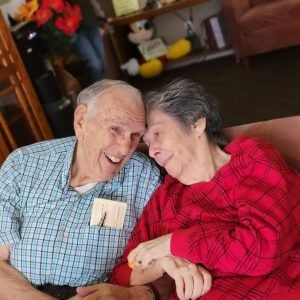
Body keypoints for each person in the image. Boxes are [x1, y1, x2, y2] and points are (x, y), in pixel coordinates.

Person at [0, 79, 211, 300]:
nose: (124, 148)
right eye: (115, 129)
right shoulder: (24, 164)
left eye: (135, 135)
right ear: (81, 120)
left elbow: (169, 262)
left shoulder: (144, 178)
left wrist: (139, 294)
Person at [108, 78, 300, 299]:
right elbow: (124, 272)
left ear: (196, 124)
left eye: (158, 134)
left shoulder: (250, 159)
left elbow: (263, 248)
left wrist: (171, 243)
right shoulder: (167, 196)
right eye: (148, 143)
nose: (152, 152)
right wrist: (162, 262)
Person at [70, 0, 106, 86]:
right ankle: (97, 94)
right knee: (94, 63)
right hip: (74, 30)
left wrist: (102, 20)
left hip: (91, 23)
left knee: (103, 61)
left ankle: (106, 90)